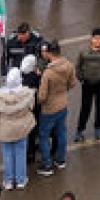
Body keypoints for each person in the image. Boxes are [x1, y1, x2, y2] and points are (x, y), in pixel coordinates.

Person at [0, 67, 36, 192]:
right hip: (21, 127)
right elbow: (31, 107)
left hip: (5, 128)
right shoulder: (27, 93)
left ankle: (8, 181)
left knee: (7, 155)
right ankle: (21, 180)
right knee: (21, 153)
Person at [36, 39, 76, 174]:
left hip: (49, 109)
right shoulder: (69, 65)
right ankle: (60, 160)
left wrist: (40, 102)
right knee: (61, 133)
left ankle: (47, 165)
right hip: (63, 104)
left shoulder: (48, 73)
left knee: (43, 136)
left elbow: (41, 96)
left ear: (49, 53)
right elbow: (72, 84)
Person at [73, 28, 100, 142]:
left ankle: (98, 128)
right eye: (95, 38)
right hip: (87, 84)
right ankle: (80, 130)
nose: (97, 41)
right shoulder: (84, 52)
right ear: (91, 38)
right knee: (85, 108)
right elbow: (78, 66)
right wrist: (81, 78)